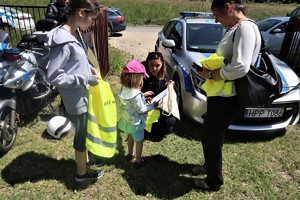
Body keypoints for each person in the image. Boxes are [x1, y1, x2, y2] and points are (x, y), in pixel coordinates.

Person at [193, 0, 261, 191]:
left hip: (230, 96)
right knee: (212, 132)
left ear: (229, 7)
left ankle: (213, 181)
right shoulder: (236, 27)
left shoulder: (245, 28)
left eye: (217, 14)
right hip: (222, 93)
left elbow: (240, 66)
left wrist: (213, 74)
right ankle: (209, 166)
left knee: (210, 136)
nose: (216, 20)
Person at [45, 0, 103, 182]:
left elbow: (76, 60)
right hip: (76, 99)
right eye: (91, 19)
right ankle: (81, 174)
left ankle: (83, 161)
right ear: (80, 13)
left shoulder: (73, 32)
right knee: (81, 135)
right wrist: (85, 78)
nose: (92, 23)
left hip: (81, 94)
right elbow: (54, 76)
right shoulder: (63, 40)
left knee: (83, 133)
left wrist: (90, 68)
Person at [118, 60, 159, 169]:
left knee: (130, 136)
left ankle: (130, 154)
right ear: (136, 78)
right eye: (141, 78)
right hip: (136, 124)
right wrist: (153, 106)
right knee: (139, 141)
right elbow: (142, 109)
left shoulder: (123, 89)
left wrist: (143, 95)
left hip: (126, 122)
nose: (142, 80)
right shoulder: (136, 95)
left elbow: (132, 99)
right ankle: (138, 160)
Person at [141, 52, 177, 141]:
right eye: (151, 65)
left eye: (157, 65)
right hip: (144, 109)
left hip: (157, 107)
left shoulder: (164, 73)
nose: (154, 68)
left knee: (171, 122)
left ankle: (152, 131)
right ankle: (149, 131)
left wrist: (168, 85)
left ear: (162, 64)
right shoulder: (141, 75)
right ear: (147, 63)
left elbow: (162, 91)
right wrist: (144, 98)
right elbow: (133, 94)